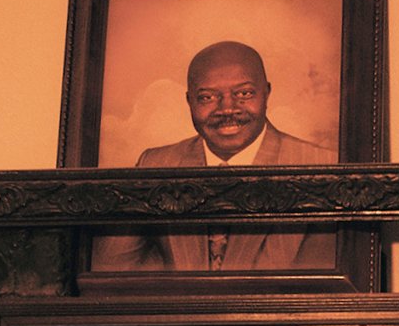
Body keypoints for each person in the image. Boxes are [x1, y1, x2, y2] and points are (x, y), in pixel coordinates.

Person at [96, 40, 337, 272]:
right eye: (207, 97)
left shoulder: (320, 166)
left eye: (244, 94)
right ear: (189, 101)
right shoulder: (156, 165)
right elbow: (111, 276)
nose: (227, 109)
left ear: (267, 93)